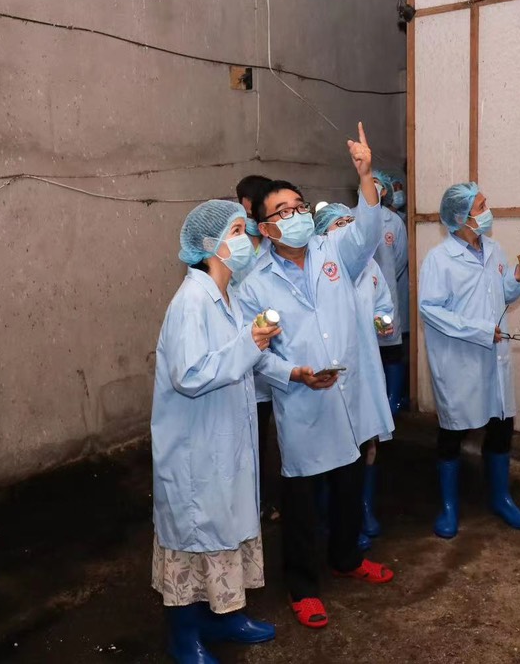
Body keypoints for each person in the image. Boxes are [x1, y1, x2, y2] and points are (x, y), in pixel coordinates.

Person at [238, 124, 396, 629]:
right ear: (265, 229)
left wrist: (365, 174)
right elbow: (255, 352)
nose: (296, 215)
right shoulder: (254, 283)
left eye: (299, 206)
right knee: (302, 501)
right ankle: (302, 587)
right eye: (282, 212)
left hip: (346, 393)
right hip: (302, 399)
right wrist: (294, 374)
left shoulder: (334, 252)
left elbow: (367, 231)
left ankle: (346, 558)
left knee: (350, 484)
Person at [152, 200, 299, 663]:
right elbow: (189, 374)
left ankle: (224, 616)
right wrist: (250, 342)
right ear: (208, 245)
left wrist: (280, 363)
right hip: (195, 450)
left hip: (226, 442)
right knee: (195, 537)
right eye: (236, 231)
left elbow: (242, 360)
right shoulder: (191, 302)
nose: (247, 238)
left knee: (228, 528)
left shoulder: (227, 295)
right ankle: (184, 636)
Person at [417, 182, 520, 540]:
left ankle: (501, 498)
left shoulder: (494, 249)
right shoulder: (439, 260)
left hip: (494, 358)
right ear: (460, 217)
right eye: (481, 207)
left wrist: (517, 279)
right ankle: (449, 507)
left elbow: (502, 293)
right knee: (453, 433)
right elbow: (430, 310)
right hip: (459, 361)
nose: (488, 212)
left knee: (501, 428)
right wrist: (480, 330)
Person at [313, 202, 396, 550]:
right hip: (333, 372)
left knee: (367, 443)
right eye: (339, 223)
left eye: (351, 220)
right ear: (322, 235)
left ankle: (363, 509)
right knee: (331, 449)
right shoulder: (319, 270)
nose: (348, 226)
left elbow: (384, 304)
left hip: (367, 369)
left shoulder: (371, 267)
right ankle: (328, 516)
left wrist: (383, 320)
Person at [235, 174, 279, 522]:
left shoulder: (274, 245)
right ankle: (254, 502)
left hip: (277, 353)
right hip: (244, 355)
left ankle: (270, 496)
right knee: (252, 436)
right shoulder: (232, 247)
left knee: (278, 435)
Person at [370, 170, 409, 414]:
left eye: (375, 183)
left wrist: (383, 283)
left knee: (391, 349)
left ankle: (393, 400)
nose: (369, 186)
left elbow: (401, 258)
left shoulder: (394, 222)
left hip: (387, 292)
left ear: (384, 191)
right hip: (357, 297)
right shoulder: (350, 217)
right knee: (366, 351)